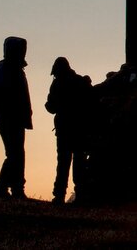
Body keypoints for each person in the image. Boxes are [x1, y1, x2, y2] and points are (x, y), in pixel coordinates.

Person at [0, 36, 33, 199]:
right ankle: (5, 188)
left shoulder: (4, 67)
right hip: (11, 118)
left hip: (11, 118)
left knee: (16, 154)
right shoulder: (8, 69)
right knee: (15, 154)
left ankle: (13, 188)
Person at [45, 56, 93, 205]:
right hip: (80, 129)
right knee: (79, 162)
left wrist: (50, 106)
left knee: (63, 163)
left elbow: (51, 106)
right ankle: (81, 194)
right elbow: (90, 103)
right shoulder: (80, 82)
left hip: (65, 129)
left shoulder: (57, 84)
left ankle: (59, 195)